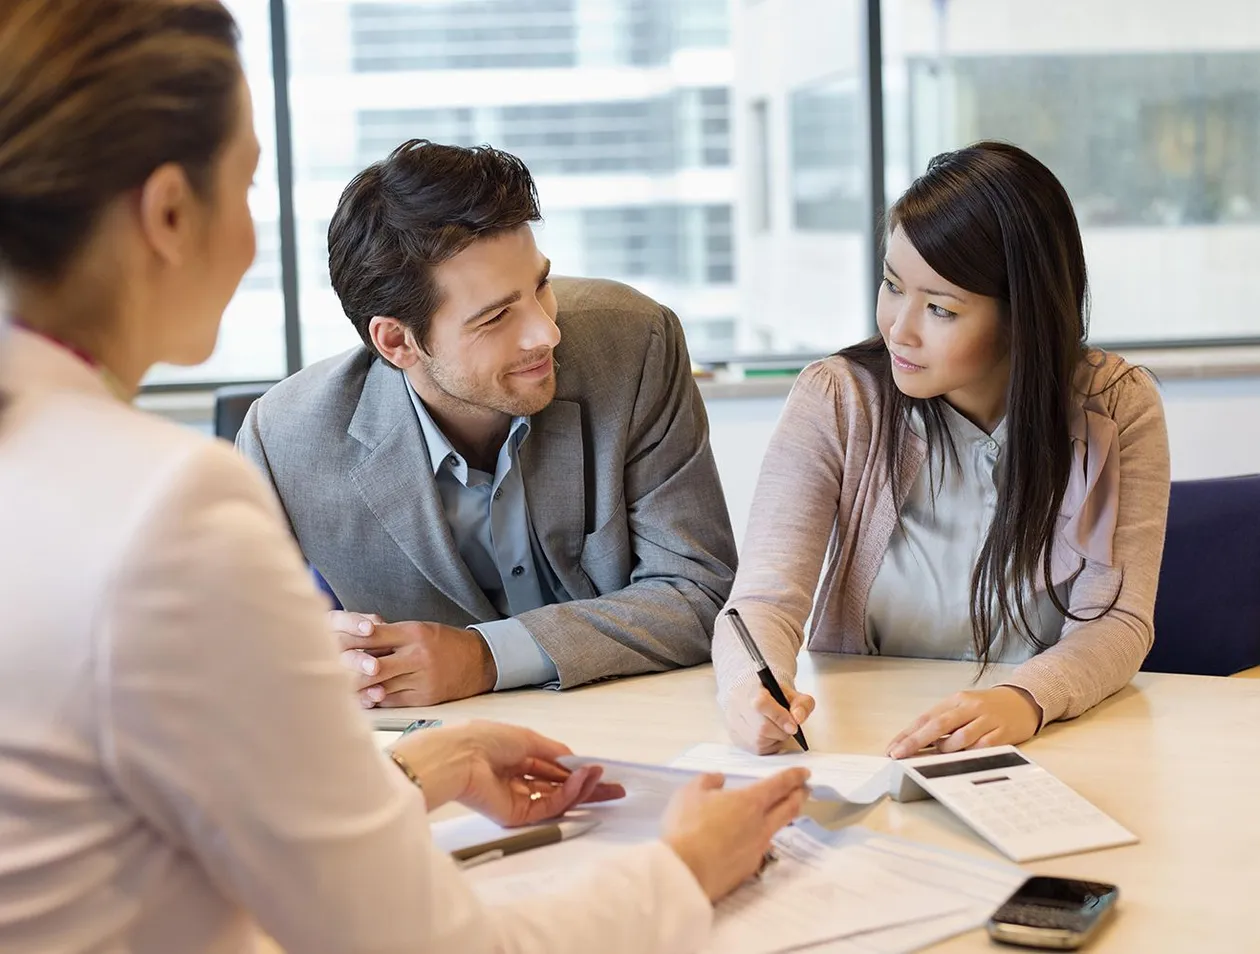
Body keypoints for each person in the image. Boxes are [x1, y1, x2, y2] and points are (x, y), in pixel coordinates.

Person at [0, 3, 810, 951]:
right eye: (248, 182)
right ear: (172, 212)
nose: (544, 331)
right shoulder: (174, 500)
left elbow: (200, 811)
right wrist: (683, 873)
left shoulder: (48, 466)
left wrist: (440, 757)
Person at [236, 140, 737, 709]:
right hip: (437, 757)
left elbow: (700, 592)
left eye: (541, 285)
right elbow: (232, 650)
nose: (545, 333)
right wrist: (299, 653)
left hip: (637, 719)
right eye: (496, 316)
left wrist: (484, 657)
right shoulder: (285, 439)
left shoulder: (633, 346)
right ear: (397, 341)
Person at [714, 141, 1171, 758]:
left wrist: (1025, 698)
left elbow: (1118, 620)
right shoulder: (838, 399)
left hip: (1047, 740)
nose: (899, 328)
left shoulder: (1115, 405)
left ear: (1023, 316)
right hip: (866, 737)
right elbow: (764, 600)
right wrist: (751, 688)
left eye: (939, 308)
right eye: (892, 285)